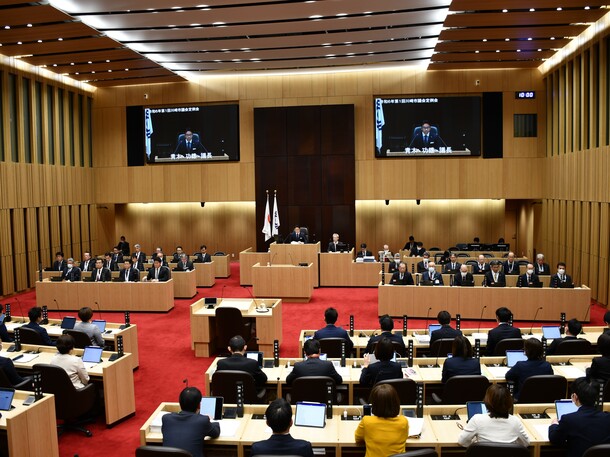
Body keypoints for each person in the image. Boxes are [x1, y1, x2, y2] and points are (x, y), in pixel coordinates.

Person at [549, 377, 610, 457]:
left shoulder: (568, 419)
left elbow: (554, 439)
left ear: (575, 396)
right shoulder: (608, 417)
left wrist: (554, 425)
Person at [458, 384, 530, 447]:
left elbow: (462, 442)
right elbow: (526, 443)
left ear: (487, 402)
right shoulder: (515, 422)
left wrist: (476, 444)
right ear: (509, 402)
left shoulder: (477, 420)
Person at [162, 386, 220, 457]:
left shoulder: (166, 418)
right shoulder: (202, 421)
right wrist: (213, 422)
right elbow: (216, 432)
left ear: (180, 403)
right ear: (199, 405)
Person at [355, 383, 409, 456]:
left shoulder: (367, 421)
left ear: (374, 404)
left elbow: (358, 439)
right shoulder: (403, 422)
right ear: (396, 402)